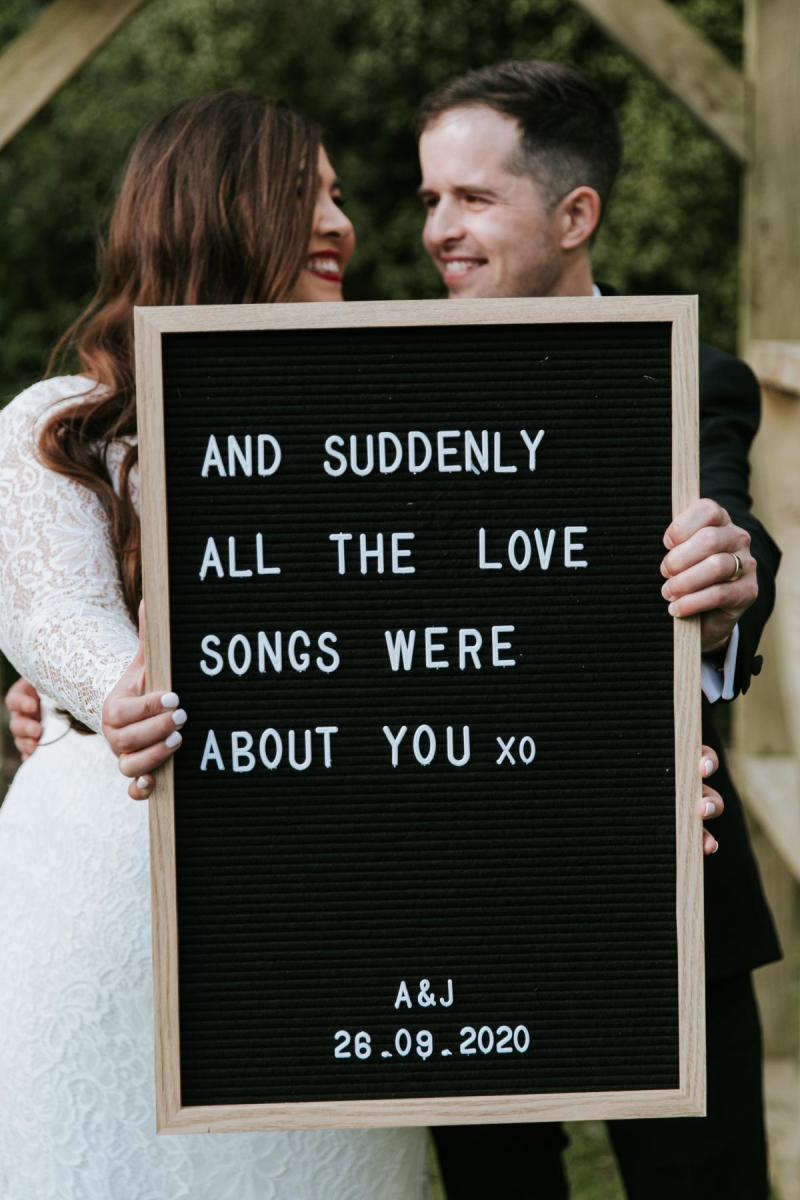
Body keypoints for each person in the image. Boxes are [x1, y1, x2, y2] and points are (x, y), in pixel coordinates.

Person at [0, 91, 427, 1199]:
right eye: (308, 195)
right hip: (121, 885)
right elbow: (57, 615)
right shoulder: (63, 421)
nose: (342, 225)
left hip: (330, 908)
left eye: (338, 197)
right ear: (218, 210)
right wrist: (120, 690)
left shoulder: (387, 417)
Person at [413, 62, 781, 1200]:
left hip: (656, 877)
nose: (437, 230)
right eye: (428, 198)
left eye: (471, 199)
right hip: (450, 896)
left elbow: (733, 533)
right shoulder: (383, 386)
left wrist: (727, 575)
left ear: (575, 216)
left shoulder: (688, 377)